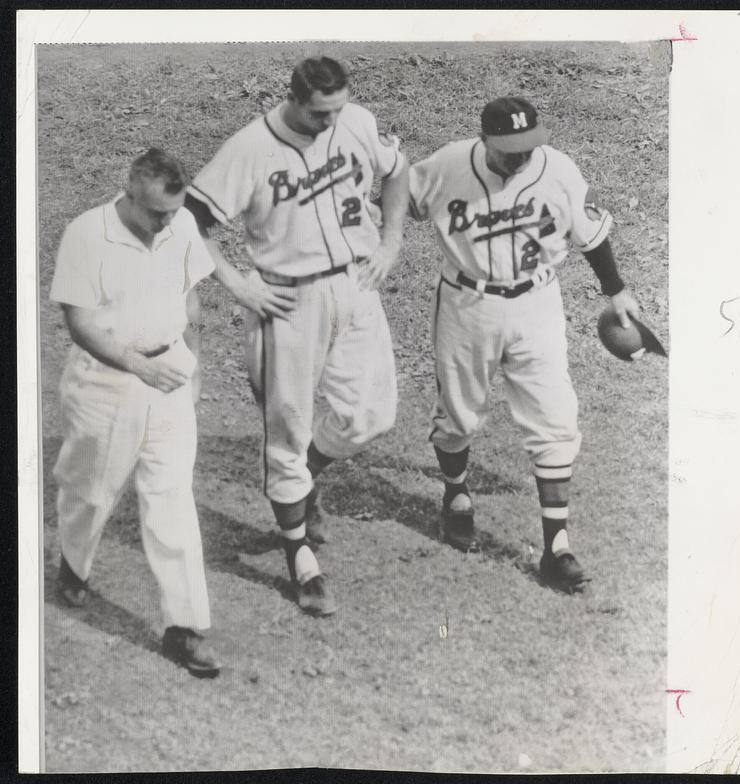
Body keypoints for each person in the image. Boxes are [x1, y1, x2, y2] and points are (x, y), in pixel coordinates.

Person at [185, 56, 408, 616]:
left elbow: (398, 169)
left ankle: (301, 486)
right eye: (320, 113)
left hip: (356, 285)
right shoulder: (249, 148)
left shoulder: (354, 120)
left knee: (370, 416)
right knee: (287, 427)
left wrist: (391, 243)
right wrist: (239, 285)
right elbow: (190, 220)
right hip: (288, 299)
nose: (331, 121)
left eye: (338, 108)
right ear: (294, 99)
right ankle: (300, 557)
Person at [408, 96, 641, 592]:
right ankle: (456, 495)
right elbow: (400, 200)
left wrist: (616, 290)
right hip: (466, 303)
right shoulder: (449, 164)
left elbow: (589, 235)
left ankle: (556, 548)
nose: (521, 158)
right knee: (458, 415)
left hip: (537, 301)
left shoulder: (556, 170)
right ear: (484, 139)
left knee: (556, 419)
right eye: (510, 149)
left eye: (529, 146)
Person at [51, 148, 221, 677]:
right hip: (104, 383)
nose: (165, 223)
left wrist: (193, 367)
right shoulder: (86, 233)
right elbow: (79, 322)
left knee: (172, 499)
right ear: (128, 192)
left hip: (168, 373)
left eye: (172, 212)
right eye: (155, 213)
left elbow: (191, 298)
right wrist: (136, 368)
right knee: (90, 491)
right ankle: (74, 566)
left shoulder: (182, 223)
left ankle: (184, 627)